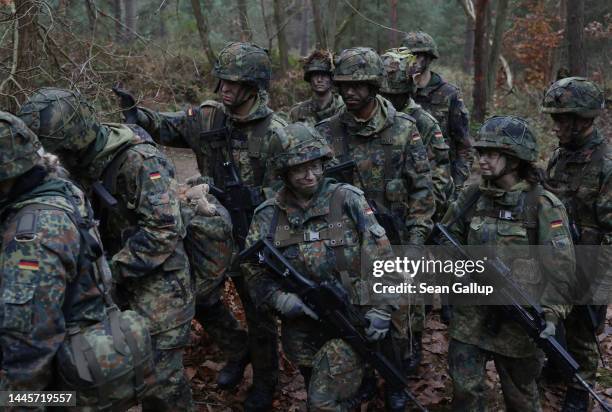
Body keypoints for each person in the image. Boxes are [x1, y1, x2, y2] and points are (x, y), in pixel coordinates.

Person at [122, 41, 287, 411]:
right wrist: (136, 114)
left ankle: (264, 381)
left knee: (259, 312)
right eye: (222, 81)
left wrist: (258, 200)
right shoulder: (209, 116)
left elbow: (291, 191)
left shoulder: (276, 133)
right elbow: (168, 126)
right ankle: (235, 348)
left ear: (254, 86)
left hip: (254, 237)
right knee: (199, 297)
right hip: (207, 230)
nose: (225, 88)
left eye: (234, 83)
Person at [18, 88, 195, 411]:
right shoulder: (75, 164)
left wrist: (109, 271)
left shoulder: (139, 160)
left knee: (162, 385)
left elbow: (164, 230)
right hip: (113, 291)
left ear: (73, 140)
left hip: (159, 289)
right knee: (115, 381)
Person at [242, 122, 399, 411]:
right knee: (318, 381)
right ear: (284, 172)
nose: (310, 174)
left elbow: (382, 254)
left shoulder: (347, 199)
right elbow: (252, 267)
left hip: (351, 318)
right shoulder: (269, 215)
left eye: (316, 165)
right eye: (300, 168)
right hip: (302, 331)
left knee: (322, 400)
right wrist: (278, 298)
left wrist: (382, 307)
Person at [442, 115, 575, 411]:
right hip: (471, 317)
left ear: (515, 159)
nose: (483, 160)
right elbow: (447, 240)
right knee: (465, 393)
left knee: (521, 398)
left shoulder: (541, 205)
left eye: (491, 153)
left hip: (518, 320)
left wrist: (551, 316)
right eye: (480, 153)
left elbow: (562, 269)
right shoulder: (473, 195)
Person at [0, 112, 107, 405]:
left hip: (66, 380)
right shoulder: (55, 182)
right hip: (78, 349)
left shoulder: (33, 237)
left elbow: (29, 351)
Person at [379, 47, 454, 373]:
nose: (391, 100)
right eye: (386, 93)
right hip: (379, 217)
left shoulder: (421, 121)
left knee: (413, 296)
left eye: (397, 94)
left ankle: (411, 353)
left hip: (413, 217)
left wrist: (420, 211)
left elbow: (439, 171)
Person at [542, 76, 610, 412]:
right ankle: (556, 366)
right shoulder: (559, 156)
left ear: (583, 119)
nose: (554, 126)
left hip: (591, 261)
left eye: (560, 119)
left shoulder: (606, 165)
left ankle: (581, 386)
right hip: (558, 256)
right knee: (554, 317)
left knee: (583, 331)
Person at [401, 31, 473, 192]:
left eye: (419, 55)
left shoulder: (449, 94)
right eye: (409, 55)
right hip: (404, 181)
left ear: (430, 57)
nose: (414, 60)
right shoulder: (397, 93)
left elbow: (464, 145)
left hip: (439, 182)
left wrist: (457, 184)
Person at [289, 49, 345, 125]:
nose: (319, 80)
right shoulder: (297, 112)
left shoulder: (344, 109)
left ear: (331, 78)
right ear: (310, 79)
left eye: (324, 75)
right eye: (315, 75)